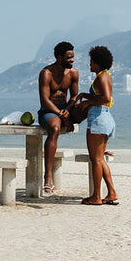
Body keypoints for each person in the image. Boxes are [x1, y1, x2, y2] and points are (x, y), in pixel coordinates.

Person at [75, 45, 119, 205]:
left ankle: (96, 197)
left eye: (92, 61)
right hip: (105, 118)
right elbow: (101, 95)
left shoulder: (101, 77)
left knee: (96, 159)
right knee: (100, 159)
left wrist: (87, 103)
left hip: (98, 118)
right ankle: (112, 194)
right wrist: (85, 95)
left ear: (98, 62)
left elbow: (106, 98)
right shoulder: (105, 75)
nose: (89, 64)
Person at [38, 41, 79, 194]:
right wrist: (60, 113)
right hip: (48, 110)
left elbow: (74, 96)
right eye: (69, 58)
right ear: (59, 57)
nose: (72, 60)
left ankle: (102, 152)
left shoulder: (73, 73)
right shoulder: (46, 73)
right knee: (55, 128)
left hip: (65, 109)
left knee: (87, 111)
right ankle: (48, 176)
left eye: (73, 57)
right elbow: (45, 100)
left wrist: (68, 110)